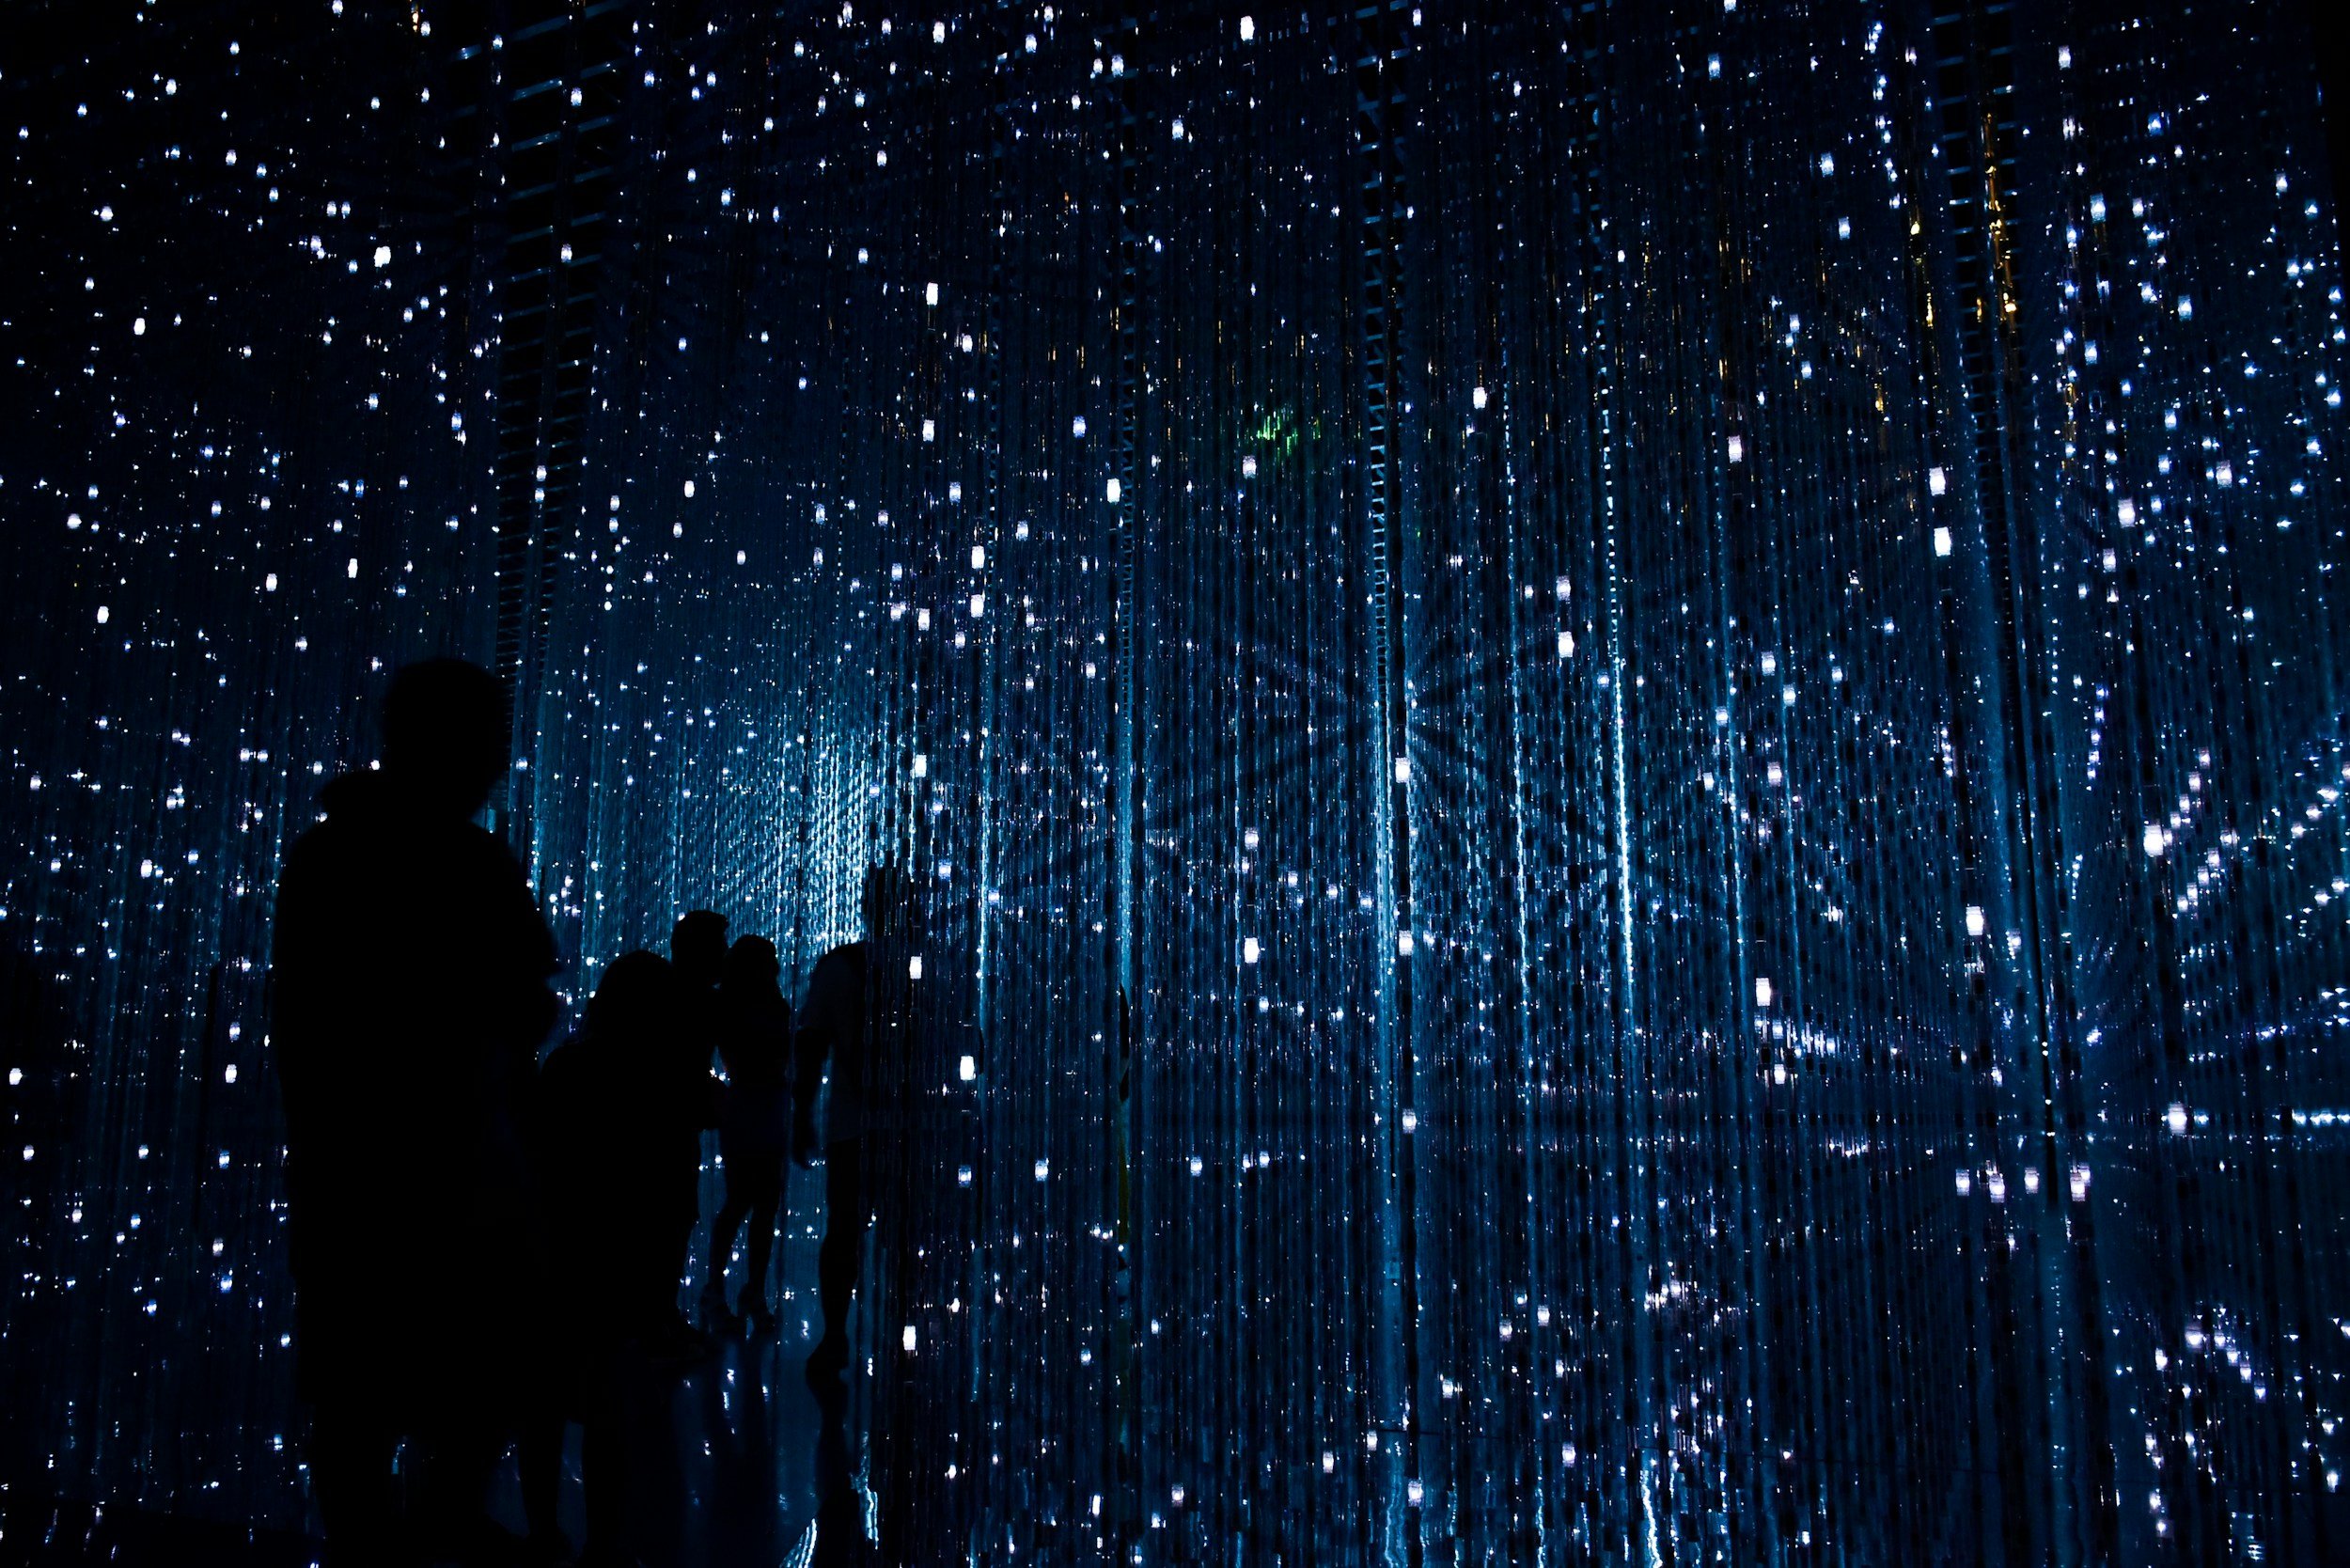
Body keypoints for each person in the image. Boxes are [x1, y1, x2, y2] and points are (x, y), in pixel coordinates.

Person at [271, 657, 557, 1567]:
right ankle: (430, 1526)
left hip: (352, 1165)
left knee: (361, 1388)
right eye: (491, 743)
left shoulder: (325, 854)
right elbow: (528, 1001)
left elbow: (300, 1019)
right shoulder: (469, 864)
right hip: (449, 1164)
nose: (499, 766)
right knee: (463, 1376)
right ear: (454, 742)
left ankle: (384, 1540)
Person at [524, 949, 680, 1568]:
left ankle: (548, 1535)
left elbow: (540, 1156)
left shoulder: (570, 1066)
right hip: (607, 1259)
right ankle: (604, 1545)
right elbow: (650, 1185)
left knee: (548, 1403)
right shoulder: (644, 1081)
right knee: (606, 1408)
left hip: (561, 1253)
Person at [793, 865, 920, 1383]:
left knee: (844, 1231)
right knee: (907, 1238)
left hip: (854, 1126)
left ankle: (835, 1335)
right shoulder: (932, 963)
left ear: (868, 906)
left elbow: (812, 1044)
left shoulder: (840, 966)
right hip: (917, 1127)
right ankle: (904, 1336)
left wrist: (801, 1114)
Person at [702, 934, 793, 1332]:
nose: (774, 965)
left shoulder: (750, 1004)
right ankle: (729, 1291)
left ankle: (738, 1290)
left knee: (757, 1202)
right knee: (746, 1200)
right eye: (768, 958)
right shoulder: (749, 1005)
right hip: (755, 1104)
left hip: (760, 1104)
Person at [652, 909, 727, 1354]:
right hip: (665, 1128)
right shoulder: (690, 999)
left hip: (671, 1127)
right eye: (719, 946)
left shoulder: (688, 995)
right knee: (668, 1220)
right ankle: (658, 1319)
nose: (725, 954)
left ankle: (661, 1316)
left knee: (672, 1220)